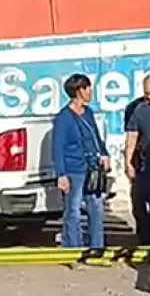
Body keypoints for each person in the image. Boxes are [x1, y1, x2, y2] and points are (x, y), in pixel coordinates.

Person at [51, 73, 109, 250]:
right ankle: (73, 248)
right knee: (73, 211)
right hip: (73, 170)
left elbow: (95, 137)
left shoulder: (88, 113)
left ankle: (96, 247)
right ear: (78, 91)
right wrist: (61, 175)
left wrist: (104, 154)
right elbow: (58, 147)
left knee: (96, 208)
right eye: (87, 88)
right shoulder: (63, 118)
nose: (90, 91)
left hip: (92, 168)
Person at [125, 73, 150, 245]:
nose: (148, 96)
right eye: (146, 93)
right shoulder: (137, 109)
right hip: (143, 166)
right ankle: (145, 239)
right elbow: (131, 137)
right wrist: (128, 162)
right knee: (139, 204)